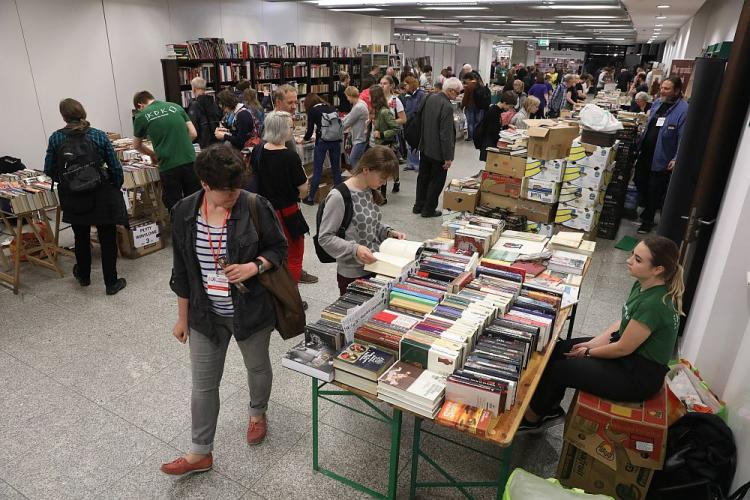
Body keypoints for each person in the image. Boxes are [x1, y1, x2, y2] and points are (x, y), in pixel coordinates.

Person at [161, 144, 288, 476]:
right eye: (225, 191)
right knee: (203, 384)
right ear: (204, 183)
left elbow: (279, 248)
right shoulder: (184, 212)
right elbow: (183, 269)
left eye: (237, 187)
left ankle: (257, 413)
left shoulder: (254, 205)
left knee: (257, 367)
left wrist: (254, 266)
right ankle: (199, 453)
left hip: (251, 309)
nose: (233, 195)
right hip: (206, 314)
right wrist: (182, 317)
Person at [520, 235, 683, 433]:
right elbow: (621, 324)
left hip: (638, 374)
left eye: (638, 260)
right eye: (633, 254)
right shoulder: (643, 284)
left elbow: (623, 348)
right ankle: (547, 406)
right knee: (559, 349)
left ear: (658, 269)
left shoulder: (654, 304)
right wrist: (592, 344)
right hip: (628, 354)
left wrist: (589, 353)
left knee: (560, 370)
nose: (629, 260)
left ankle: (533, 419)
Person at [43, 98, 127, 295]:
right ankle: (111, 283)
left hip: (73, 196)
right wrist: (115, 183)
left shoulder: (56, 138)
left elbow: (49, 169)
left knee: (80, 236)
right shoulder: (98, 135)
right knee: (107, 237)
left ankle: (84, 276)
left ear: (63, 116)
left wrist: (69, 182)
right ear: (83, 113)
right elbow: (115, 166)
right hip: (101, 193)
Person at [317, 146, 405, 296]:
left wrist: (388, 233)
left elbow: (371, 224)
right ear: (366, 170)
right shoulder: (339, 197)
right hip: (353, 274)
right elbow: (325, 238)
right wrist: (355, 249)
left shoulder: (369, 190)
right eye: (382, 179)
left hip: (375, 267)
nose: (383, 184)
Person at [271, 84, 319, 285]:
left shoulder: (284, 124)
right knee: (288, 242)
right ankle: (289, 280)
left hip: (287, 197)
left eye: (295, 101)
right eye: (290, 102)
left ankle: (293, 273)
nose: (294, 106)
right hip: (282, 201)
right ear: (278, 102)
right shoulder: (275, 126)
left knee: (290, 242)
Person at [255, 111, 309, 288]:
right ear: (282, 130)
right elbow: (303, 190)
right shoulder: (290, 156)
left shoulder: (258, 150)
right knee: (293, 255)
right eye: (291, 127)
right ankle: (290, 293)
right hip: (288, 213)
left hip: (263, 211)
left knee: (269, 252)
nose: (292, 131)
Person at [634, 76, 688, 234]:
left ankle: (647, 221)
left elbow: (683, 137)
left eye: (666, 89)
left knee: (654, 190)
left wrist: (676, 158)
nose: (662, 91)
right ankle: (646, 210)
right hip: (645, 153)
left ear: (677, 91)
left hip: (662, 157)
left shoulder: (683, 110)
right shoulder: (658, 103)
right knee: (639, 180)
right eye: (662, 88)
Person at [133, 90, 199, 211]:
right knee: (195, 202)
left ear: (140, 105)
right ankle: (197, 229)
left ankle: (178, 229)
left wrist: (152, 154)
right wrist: (181, 145)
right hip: (190, 160)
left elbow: (136, 145)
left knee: (175, 205)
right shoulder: (176, 106)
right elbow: (193, 133)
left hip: (168, 165)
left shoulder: (141, 116)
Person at [413, 77, 462, 218]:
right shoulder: (446, 106)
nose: (457, 96)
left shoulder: (429, 98)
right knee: (437, 181)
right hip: (438, 151)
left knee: (423, 177)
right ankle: (428, 209)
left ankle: (419, 205)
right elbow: (445, 134)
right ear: (451, 90)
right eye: (457, 92)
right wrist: (448, 157)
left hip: (425, 146)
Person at [301, 94, 342, 206]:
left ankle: (310, 198)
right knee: (336, 169)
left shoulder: (313, 111)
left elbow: (309, 131)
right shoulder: (330, 107)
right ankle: (340, 196)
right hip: (335, 140)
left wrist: (304, 140)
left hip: (322, 141)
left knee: (317, 170)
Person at [369, 85, 402, 203]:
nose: (368, 98)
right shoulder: (378, 112)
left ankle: (382, 197)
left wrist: (382, 134)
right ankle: (379, 196)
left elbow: (396, 128)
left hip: (385, 144)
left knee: (382, 170)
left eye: (370, 96)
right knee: (379, 170)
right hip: (377, 144)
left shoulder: (384, 112)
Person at [476, 91, 518, 162]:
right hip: (489, 144)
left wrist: (507, 126)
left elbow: (497, 125)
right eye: (510, 106)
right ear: (504, 103)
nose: (509, 109)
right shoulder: (494, 112)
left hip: (491, 142)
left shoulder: (497, 110)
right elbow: (493, 131)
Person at [187, 77, 222, 150]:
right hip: (217, 144)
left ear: (194, 89)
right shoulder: (214, 103)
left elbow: (193, 129)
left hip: (202, 146)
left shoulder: (194, 106)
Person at [402, 76, 426, 172]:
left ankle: (417, 164)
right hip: (407, 121)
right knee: (408, 143)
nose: (405, 87)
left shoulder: (421, 94)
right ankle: (410, 163)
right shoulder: (407, 95)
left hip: (416, 123)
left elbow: (420, 109)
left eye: (406, 85)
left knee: (415, 142)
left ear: (411, 84)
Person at [341, 86, 369, 168]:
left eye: (347, 96)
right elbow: (350, 115)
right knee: (359, 160)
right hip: (361, 136)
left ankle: (359, 178)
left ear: (350, 95)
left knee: (353, 159)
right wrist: (341, 120)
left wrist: (336, 128)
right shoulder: (360, 103)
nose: (347, 99)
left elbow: (347, 123)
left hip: (360, 138)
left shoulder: (358, 107)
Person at [461, 73, 483, 143]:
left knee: (470, 122)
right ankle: (477, 135)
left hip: (470, 106)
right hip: (479, 106)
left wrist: (462, 106)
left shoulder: (468, 86)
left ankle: (471, 137)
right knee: (477, 122)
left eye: (465, 80)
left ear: (468, 79)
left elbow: (465, 98)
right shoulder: (480, 84)